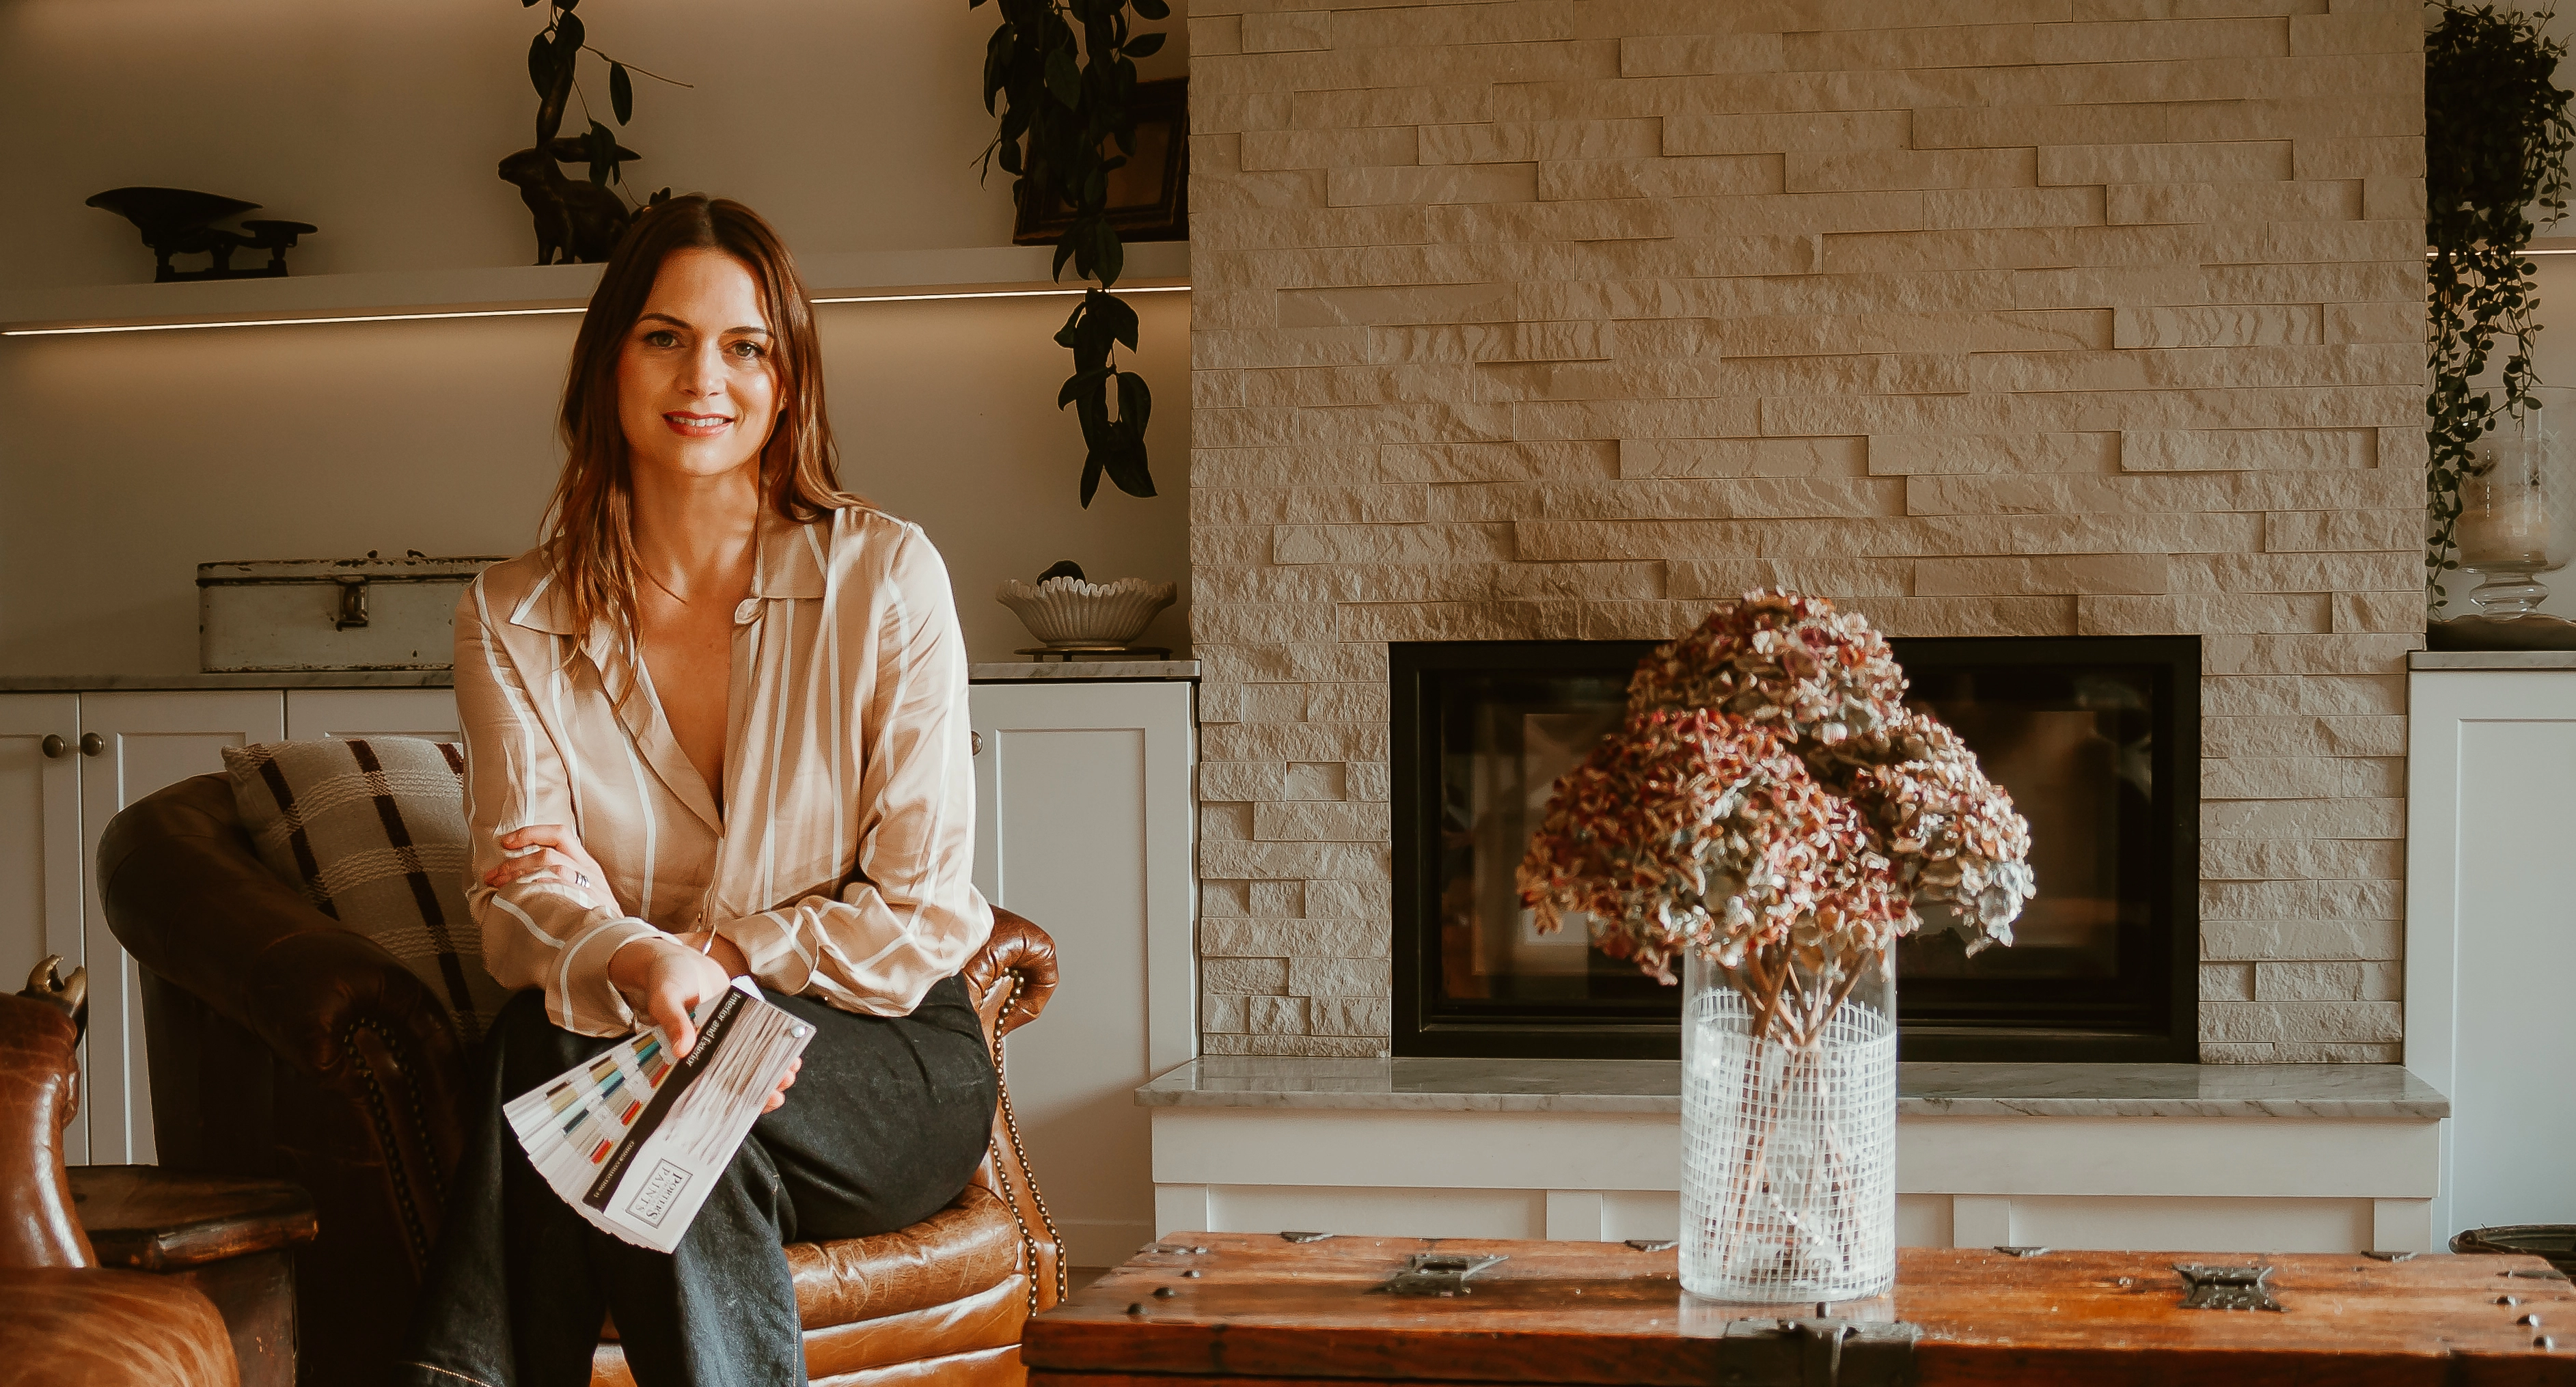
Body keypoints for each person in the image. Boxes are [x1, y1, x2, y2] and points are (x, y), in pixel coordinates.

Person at [393, 195, 999, 1387]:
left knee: (552, 1042)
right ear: (608, 358)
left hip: (876, 1059)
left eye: (745, 345)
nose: (703, 376)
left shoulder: (884, 578)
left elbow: (921, 908)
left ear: (788, 378)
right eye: (665, 336)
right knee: (673, 1128)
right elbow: (525, 878)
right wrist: (635, 964)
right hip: (644, 1045)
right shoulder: (509, 614)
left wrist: (715, 961)